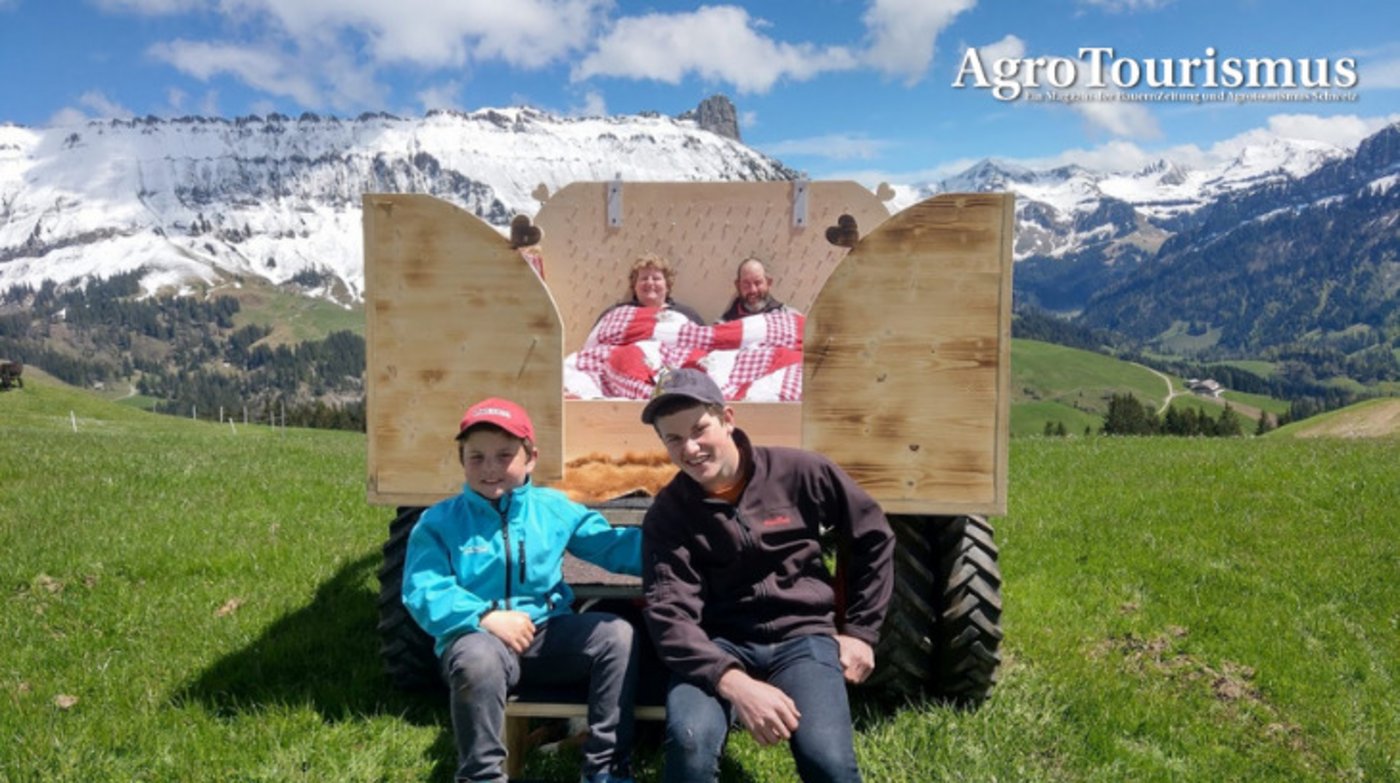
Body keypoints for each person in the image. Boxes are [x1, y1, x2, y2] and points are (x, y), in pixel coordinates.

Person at [637, 369, 895, 783]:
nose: (690, 447)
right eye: (673, 438)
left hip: (803, 636)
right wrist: (733, 682)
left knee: (826, 761)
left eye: (699, 429)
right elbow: (670, 617)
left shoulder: (800, 472)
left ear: (728, 419)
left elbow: (873, 534)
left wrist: (861, 632)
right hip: (716, 642)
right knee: (690, 743)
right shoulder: (668, 515)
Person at [403, 397, 642, 783]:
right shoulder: (439, 521)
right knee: (476, 659)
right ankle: (482, 776)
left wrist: (681, 548)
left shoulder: (553, 508)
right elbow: (422, 589)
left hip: (548, 637)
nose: (490, 468)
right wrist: (484, 617)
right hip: (477, 640)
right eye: (476, 457)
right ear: (461, 460)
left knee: (618, 634)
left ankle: (606, 769)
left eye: (504, 455)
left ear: (531, 458)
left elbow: (612, 545)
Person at [597, 253, 704, 325]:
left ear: (667, 285)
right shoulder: (615, 313)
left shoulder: (687, 314)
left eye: (656, 278)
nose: (650, 282)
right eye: (644, 278)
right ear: (634, 285)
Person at [717, 257, 797, 322]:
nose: (753, 290)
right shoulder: (724, 326)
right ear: (738, 286)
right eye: (746, 284)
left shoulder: (789, 318)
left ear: (768, 283)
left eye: (758, 283)